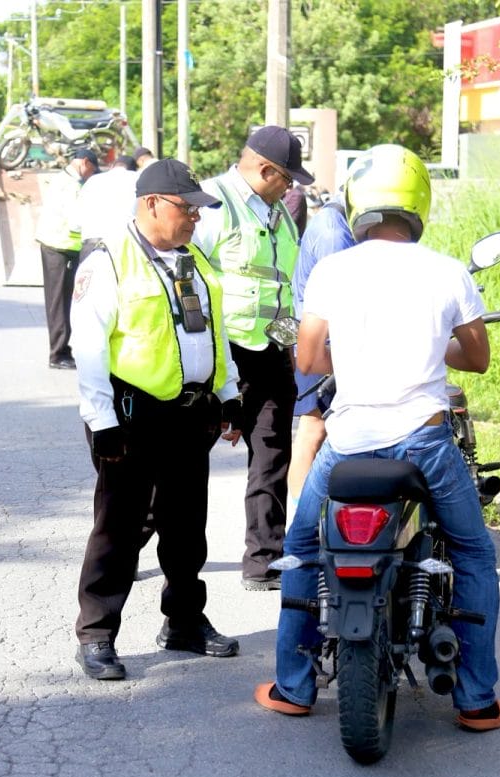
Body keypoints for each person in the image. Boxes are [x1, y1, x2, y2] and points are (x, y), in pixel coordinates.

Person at [254, 144, 500, 732]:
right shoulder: (447, 270)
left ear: (357, 204)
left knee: (300, 546)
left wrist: (354, 354)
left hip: (348, 441)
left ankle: (294, 687)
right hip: (424, 442)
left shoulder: (331, 269)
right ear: (419, 203)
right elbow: (477, 359)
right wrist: (429, 345)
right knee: (472, 553)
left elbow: (312, 357)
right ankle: (475, 700)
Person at [69, 158, 245, 681]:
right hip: (130, 413)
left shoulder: (192, 259)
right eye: (186, 208)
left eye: (198, 210)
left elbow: (212, 333)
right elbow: (89, 347)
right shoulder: (108, 261)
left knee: (186, 526)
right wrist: (101, 421)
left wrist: (230, 394)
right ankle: (97, 634)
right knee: (118, 528)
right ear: (151, 204)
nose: (195, 218)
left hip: (192, 413)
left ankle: (185, 622)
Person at [191, 125, 314, 591]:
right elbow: (192, 279)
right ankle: (130, 540)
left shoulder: (279, 212)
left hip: (271, 351)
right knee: (182, 463)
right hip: (223, 355)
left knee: (271, 456)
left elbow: (282, 284)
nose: (291, 186)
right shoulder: (214, 204)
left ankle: (264, 561)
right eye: (287, 177)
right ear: (265, 169)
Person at [284, 189, 355, 511]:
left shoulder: (330, 221)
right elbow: (342, 298)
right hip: (324, 343)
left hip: (317, 338)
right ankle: (302, 521)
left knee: (314, 431)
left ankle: (307, 520)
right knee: (314, 430)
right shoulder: (334, 232)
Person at [36, 148, 98, 369]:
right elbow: (75, 221)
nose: (91, 174)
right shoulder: (71, 185)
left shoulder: (64, 179)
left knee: (62, 302)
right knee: (60, 303)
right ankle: (59, 353)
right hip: (60, 246)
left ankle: (62, 350)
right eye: (92, 169)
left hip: (57, 245)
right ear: (84, 162)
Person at [76, 153, 140, 262]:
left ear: (112, 166)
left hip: (91, 248)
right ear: (134, 169)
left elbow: (75, 223)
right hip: (123, 248)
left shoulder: (92, 181)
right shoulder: (138, 179)